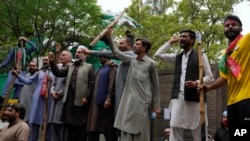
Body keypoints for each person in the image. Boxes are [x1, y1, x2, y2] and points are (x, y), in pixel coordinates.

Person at [154, 30, 214, 141]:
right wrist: (170, 42)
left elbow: (210, 77)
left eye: (184, 37)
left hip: (196, 100)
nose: (181, 38)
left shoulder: (200, 55)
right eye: (180, 36)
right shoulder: (177, 57)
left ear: (192, 40)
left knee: (199, 132)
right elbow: (158, 54)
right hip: (178, 99)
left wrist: (196, 82)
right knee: (175, 132)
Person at [106, 29, 161, 141]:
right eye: (135, 44)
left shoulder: (151, 64)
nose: (135, 46)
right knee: (126, 129)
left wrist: (157, 106)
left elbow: (156, 86)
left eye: (137, 44)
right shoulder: (130, 60)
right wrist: (109, 37)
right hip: (129, 103)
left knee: (140, 132)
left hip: (142, 104)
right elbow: (116, 53)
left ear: (144, 48)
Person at [202, 15, 250, 140]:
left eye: (233, 24)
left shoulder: (247, 41)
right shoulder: (225, 54)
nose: (230, 27)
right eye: (227, 25)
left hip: (247, 99)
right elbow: (224, 78)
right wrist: (208, 87)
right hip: (232, 103)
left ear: (240, 28)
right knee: (236, 135)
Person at [49, 46, 95, 141]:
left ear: (86, 55)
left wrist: (86, 97)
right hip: (69, 103)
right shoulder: (71, 66)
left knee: (80, 131)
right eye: (77, 52)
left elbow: (91, 84)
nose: (77, 54)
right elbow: (58, 73)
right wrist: (51, 62)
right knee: (70, 132)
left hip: (81, 104)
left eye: (80, 52)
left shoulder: (89, 67)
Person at [82, 37, 135, 118]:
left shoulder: (131, 56)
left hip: (126, 94)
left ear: (128, 44)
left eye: (121, 43)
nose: (119, 45)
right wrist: (117, 65)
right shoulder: (122, 60)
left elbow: (111, 54)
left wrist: (89, 51)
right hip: (120, 94)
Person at [11, 56, 54, 141]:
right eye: (44, 60)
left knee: (48, 126)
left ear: (51, 61)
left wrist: (51, 80)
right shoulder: (39, 73)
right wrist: (17, 75)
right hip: (37, 101)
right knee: (34, 124)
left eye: (46, 60)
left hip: (48, 101)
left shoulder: (55, 72)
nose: (45, 61)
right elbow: (28, 81)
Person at [87, 51, 118, 141]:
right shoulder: (100, 69)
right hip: (95, 105)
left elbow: (112, 84)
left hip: (105, 105)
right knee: (93, 130)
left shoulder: (112, 67)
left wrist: (108, 98)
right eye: (99, 56)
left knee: (108, 131)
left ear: (108, 56)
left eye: (102, 55)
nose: (100, 57)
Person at [48, 50, 72, 141]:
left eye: (64, 55)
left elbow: (69, 85)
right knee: (54, 124)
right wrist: (52, 92)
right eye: (60, 55)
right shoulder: (58, 67)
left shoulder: (71, 68)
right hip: (55, 99)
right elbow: (53, 82)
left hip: (63, 100)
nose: (61, 56)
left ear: (70, 58)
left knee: (62, 125)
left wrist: (60, 93)